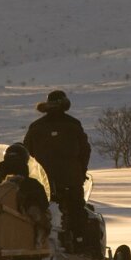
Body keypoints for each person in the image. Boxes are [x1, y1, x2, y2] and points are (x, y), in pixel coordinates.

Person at [25, 90, 91, 244]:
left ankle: (37, 240)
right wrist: (81, 172)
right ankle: (80, 243)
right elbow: (85, 151)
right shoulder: (73, 125)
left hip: (43, 181)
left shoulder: (36, 126)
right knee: (77, 212)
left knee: (37, 210)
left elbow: (27, 153)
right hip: (71, 180)